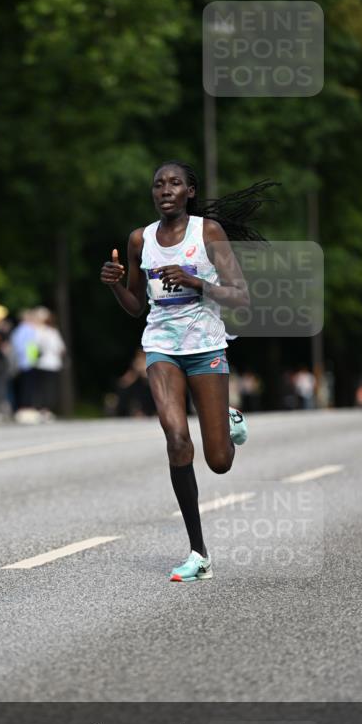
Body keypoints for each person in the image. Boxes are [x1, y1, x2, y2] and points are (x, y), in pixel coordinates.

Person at [100, 159, 278, 583]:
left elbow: (241, 298)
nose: (165, 189)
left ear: (190, 192)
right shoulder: (140, 239)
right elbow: (137, 306)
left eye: (175, 183)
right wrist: (115, 285)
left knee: (218, 461)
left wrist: (196, 281)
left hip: (206, 347)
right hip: (160, 348)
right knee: (178, 442)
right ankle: (198, 552)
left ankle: (228, 418)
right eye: (158, 184)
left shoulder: (207, 233)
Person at [31, 307, 66, 419]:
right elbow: (61, 349)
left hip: (41, 363)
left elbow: (33, 348)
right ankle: (46, 409)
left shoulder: (38, 331)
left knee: (40, 387)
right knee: (50, 387)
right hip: (52, 363)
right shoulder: (53, 332)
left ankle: (41, 409)